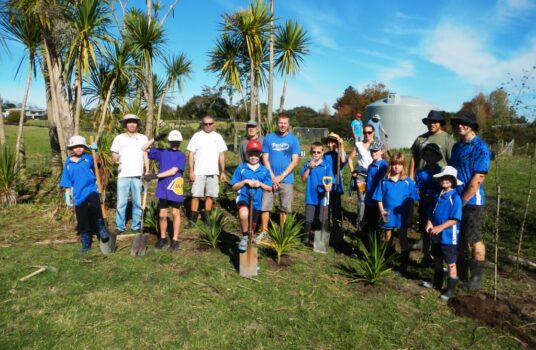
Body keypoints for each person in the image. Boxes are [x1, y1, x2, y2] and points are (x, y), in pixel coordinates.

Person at [449, 110, 490, 292]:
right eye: (457, 123)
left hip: (472, 202)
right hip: (455, 198)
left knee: (473, 239)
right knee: (458, 238)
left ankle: (475, 280)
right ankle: (460, 272)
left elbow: (477, 179)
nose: (459, 126)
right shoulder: (457, 147)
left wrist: (462, 200)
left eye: (464, 123)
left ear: (472, 126)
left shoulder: (480, 148)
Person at [60, 135, 110, 253]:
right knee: (82, 217)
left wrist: (95, 152)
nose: (78, 149)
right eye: (76, 147)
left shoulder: (88, 157)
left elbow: (98, 166)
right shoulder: (68, 163)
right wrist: (68, 194)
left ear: (84, 148)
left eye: (81, 147)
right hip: (78, 193)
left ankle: (101, 228)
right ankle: (86, 240)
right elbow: (67, 179)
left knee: (96, 207)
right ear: (71, 148)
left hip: (91, 189)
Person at [373, 152, 419, 275]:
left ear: (403, 166)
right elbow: (379, 198)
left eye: (400, 164)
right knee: (388, 237)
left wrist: (410, 216)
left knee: (402, 238)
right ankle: (387, 262)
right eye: (394, 164)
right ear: (390, 165)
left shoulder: (408, 182)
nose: (396, 167)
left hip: (402, 215)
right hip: (387, 214)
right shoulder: (384, 180)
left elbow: (411, 201)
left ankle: (403, 266)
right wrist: (381, 210)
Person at [142, 130, 186, 251]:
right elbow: (143, 149)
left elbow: (173, 171)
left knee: (176, 213)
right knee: (162, 215)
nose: (175, 144)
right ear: (169, 142)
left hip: (175, 186)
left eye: (177, 142)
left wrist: (155, 176)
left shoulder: (181, 155)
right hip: (163, 187)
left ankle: (175, 240)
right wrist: (154, 139)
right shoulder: (162, 152)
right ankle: (162, 238)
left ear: (180, 142)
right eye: (173, 142)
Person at [259, 112, 301, 241]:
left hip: (286, 179)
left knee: (285, 208)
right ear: (277, 123)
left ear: (289, 124)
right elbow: (265, 158)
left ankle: (283, 234)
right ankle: (264, 232)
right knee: (265, 206)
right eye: (280, 123)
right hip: (269, 178)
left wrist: (281, 176)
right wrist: (272, 176)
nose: (282, 125)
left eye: (285, 123)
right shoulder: (269, 138)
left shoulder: (293, 140)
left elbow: (295, 161)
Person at [424, 166, 463, 301]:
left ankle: (451, 290)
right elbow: (431, 212)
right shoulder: (437, 195)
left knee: (450, 262)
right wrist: (429, 223)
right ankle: (437, 282)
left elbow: (455, 219)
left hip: (448, 236)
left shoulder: (455, 198)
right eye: (442, 178)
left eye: (448, 178)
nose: (445, 181)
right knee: (437, 258)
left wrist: (440, 227)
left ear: (453, 181)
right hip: (436, 234)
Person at [230, 140, 272, 252]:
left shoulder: (264, 170)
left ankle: (248, 253)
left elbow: (269, 188)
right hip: (243, 197)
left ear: (260, 154)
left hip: (257, 202)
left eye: (256, 154)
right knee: (243, 215)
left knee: (251, 229)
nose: (253, 156)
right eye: (251, 154)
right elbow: (233, 186)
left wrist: (260, 184)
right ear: (247, 154)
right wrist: (244, 182)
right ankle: (244, 236)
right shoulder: (241, 168)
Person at [110, 114, 149, 233]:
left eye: (134, 122)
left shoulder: (143, 138)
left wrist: (147, 171)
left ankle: (136, 226)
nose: (132, 124)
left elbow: (145, 155)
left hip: (138, 174)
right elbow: (114, 153)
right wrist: (115, 158)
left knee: (137, 202)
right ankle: (119, 226)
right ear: (125, 124)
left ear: (137, 124)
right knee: (121, 202)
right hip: (123, 175)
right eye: (129, 122)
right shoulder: (119, 138)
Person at [186, 115, 228, 225]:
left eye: (210, 123)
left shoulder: (218, 137)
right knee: (195, 195)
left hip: (213, 171)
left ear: (214, 124)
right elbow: (191, 154)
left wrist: (222, 171)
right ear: (202, 124)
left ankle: (207, 218)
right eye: (205, 123)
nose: (208, 126)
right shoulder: (196, 136)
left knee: (210, 195)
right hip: (198, 171)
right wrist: (191, 171)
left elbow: (221, 155)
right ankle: (192, 219)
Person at [414, 143, 443, 265]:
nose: (430, 158)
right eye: (427, 155)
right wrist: (423, 196)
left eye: (433, 155)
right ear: (424, 157)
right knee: (425, 232)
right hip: (425, 206)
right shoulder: (420, 173)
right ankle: (426, 255)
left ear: (437, 157)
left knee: (437, 232)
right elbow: (418, 189)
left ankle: (438, 257)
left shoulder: (441, 172)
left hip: (439, 207)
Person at [300, 142, 334, 244]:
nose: (316, 154)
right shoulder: (307, 164)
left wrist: (329, 187)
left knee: (322, 218)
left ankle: (320, 240)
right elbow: (303, 179)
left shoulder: (326, 166)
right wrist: (309, 168)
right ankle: (305, 238)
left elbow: (330, 180)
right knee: (308, 219)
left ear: (322, 153)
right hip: (311, 195)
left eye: (318, 152)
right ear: (311, 152)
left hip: (323, 196)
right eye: (314, 152)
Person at [409, 110, 455, 179]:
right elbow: (413, 159)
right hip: (421, 178)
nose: (432, 124)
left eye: (435, 122)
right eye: (429, 122)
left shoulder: (448, 139)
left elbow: (452, 162)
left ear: (440, 123)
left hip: (440, 179)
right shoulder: (420, 138)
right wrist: (411, 177)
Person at [348, 124, 375, 229]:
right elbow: (350, 158)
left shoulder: (376, 145)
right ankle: (359, 222)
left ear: (373, 133)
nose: (367, 134)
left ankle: (370, 221)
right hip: (361, 177)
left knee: (373, 198)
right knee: (362, 199)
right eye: (365, 132)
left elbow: (384, 159)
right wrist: (352, 172)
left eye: (369, 132)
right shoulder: (359, 144)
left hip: (373, 177)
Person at [321, 132, 347, 242]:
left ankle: (337, 231)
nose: (330, 144)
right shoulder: (325, 156)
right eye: (329, 142)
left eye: (333, 142)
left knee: (336, 210)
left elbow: (343, 160)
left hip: (336, 186)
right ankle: (325, 231)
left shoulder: (338, 154)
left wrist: (341, 146)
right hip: (326, 186)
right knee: (325, 209)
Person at [363, 139, 388, 234]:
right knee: (369, 223)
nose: (373, 153)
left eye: (376, 150)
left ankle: (378, 244)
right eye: (372, 150)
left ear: (381, 151)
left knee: (378, 224)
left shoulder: (383, 166)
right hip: (369, 199)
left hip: (377, 200)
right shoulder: (371, 165)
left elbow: (382, 184)